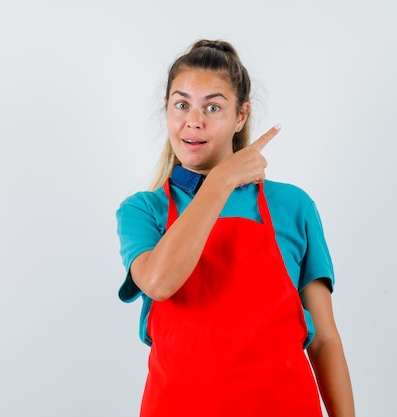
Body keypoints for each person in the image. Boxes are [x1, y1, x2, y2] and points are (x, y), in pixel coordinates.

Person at [116, 39, 355, 417]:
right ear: (167, 110)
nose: (194, 120)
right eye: (182, 105)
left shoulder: (293, 206)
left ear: (240, 117)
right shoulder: (144, 210)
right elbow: (160, 282)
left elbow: (324, 339)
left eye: (213, 107)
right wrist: (219, 182)